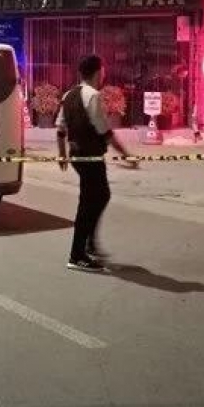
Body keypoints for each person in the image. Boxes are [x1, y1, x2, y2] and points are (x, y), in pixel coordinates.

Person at [57, 55, 136, 273]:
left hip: (77, 156)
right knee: (92, 201)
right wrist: (126, 155)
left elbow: (61, 129)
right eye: (103, 70)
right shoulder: (93, 95)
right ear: (98, 72)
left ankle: (88, 243)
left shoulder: (68, 95)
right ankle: (77, 254)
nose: (104, 73)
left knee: (96, 197)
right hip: (90, 155)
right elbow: (105, 132)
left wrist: (62, 154)